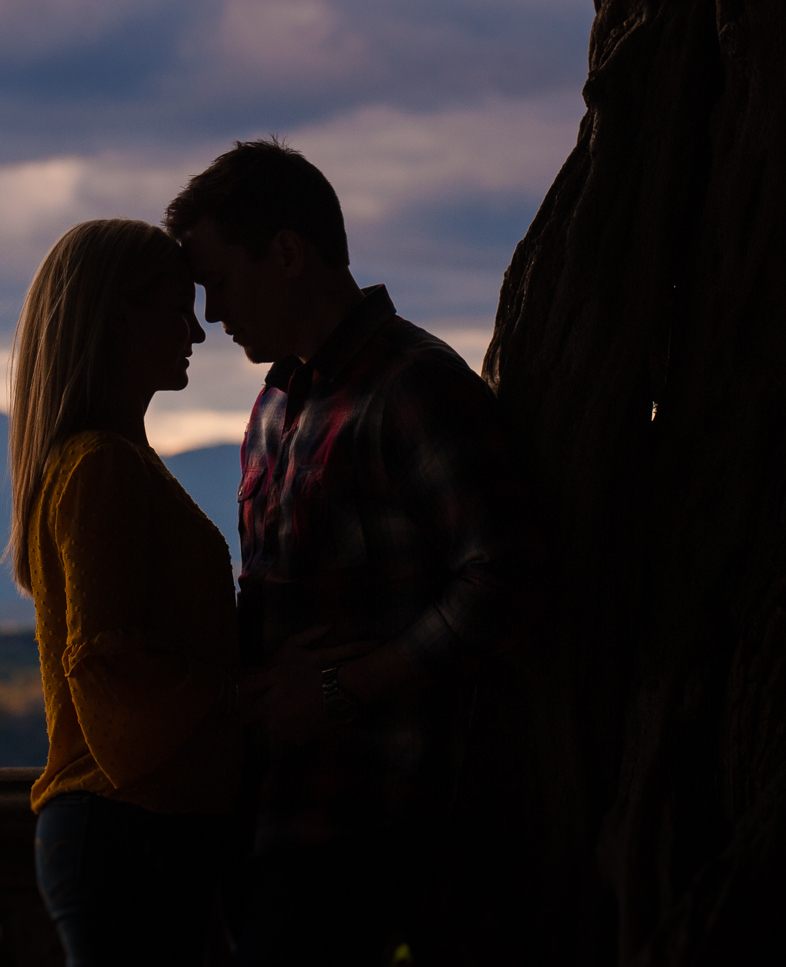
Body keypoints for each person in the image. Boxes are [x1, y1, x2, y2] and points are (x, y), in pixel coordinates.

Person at [165, 139, 535, 967]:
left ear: (287, 252)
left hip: (380, 821)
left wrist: (340, 689)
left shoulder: (415, 385)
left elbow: (507, 579)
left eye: (219, 280)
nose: (212, 315)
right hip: (273, 814)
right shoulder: (274, 405)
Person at [10, 217, 244, 966]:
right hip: (125, 830)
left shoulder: (106, 461)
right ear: (117, 318)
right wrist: (255, 690)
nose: (197, 333)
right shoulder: (101, 467)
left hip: (128, 833)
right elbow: (108, 668)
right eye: (176, 308)